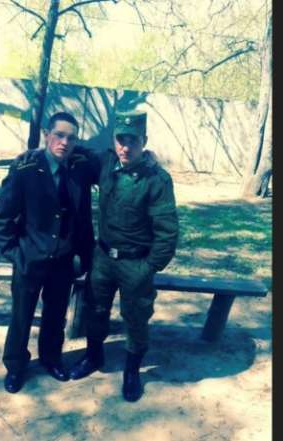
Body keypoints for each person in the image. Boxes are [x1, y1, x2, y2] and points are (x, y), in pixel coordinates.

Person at [69, 110, 179, 402]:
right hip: (103, 258)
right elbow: (73, 149)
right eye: (121, 140)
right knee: (95, 309)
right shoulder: (106, 163)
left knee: (136, 318)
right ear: (113, 140)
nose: (125, 147)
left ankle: (132, 372)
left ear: (144, 141)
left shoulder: (157, 179)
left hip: (136, 263)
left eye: (133, 140)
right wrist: (34, 154)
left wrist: (150, 267)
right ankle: (94, 356)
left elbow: (167, 231)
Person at [0, 112, 98, 393]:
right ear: (46, 135)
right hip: (29, 258)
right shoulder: (25, 169)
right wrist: (15, 254)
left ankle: (51, 358)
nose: (64, 142)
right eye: (59, 135)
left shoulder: (79, 169)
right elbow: (2, 218)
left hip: (63, 260)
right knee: (21, 316)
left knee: (55, 314)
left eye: (71, 138)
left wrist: (147, 155)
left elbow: (108, 162)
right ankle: (15, 366)